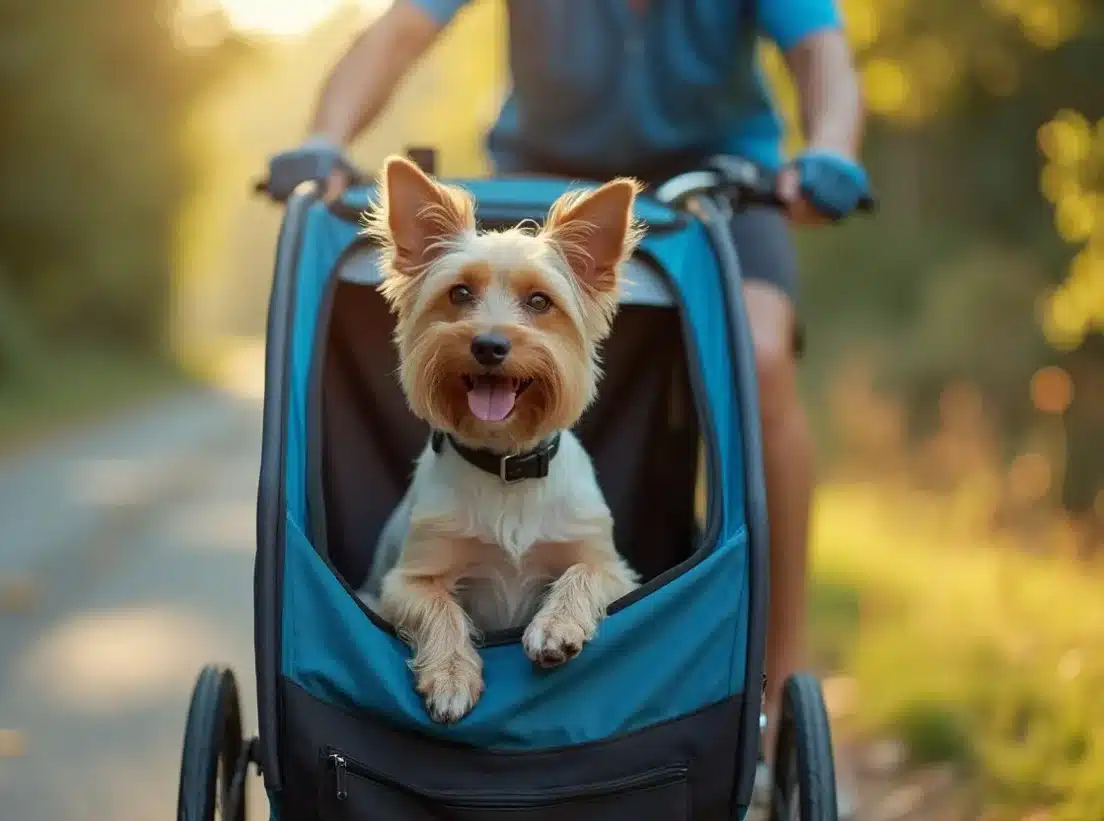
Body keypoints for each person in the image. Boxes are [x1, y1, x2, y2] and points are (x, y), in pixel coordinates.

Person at [273, 0, 868, 812]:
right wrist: (327, 135)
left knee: (761, 357)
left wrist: (830, 148)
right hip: (542, 170)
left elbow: (821, 54)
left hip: (724, 180)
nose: (491, 336)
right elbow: (404, 26)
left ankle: (782, 657)